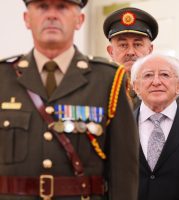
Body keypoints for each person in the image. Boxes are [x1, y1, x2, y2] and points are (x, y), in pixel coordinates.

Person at [0, 0, 139, 199]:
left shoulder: (107, 80)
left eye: (62, 7)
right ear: (26, 19)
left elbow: (123, 172)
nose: (52, 15)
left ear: (79, 20)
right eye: (42, 7)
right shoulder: (3, 77)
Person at [131, 53, 179, 200]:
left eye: (164, 75)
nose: (156, 81)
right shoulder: (119, 128)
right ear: (136, 87)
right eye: (148, 75)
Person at [103, 7, 179, 113]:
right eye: (123, 45)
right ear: (111, 51)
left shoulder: (172, 94)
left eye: (137, 44)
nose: (130, 52)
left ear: (150, 50)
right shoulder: (99, 88)